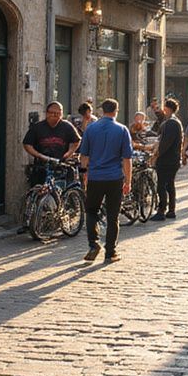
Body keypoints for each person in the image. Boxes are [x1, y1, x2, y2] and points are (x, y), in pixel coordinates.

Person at [76, 99, 133, 262]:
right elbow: (127, 159)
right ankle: (110, 252)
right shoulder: (122, 130)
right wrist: (128, 181)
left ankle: (93, 244)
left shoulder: (91, 129)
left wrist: (84, 173)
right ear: (117, 110)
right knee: (113, 215)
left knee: (91, 211)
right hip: (115, 178)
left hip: (95, 177)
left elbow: (84, 155)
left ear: (101, 110)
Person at [20, 102, 81, 234]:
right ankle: (32, 220)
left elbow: (76, 141)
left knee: (61, 190)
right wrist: (39, 155)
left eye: (58, 114)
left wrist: (68, 153)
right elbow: (27, 144)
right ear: (47, 114)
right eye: (53, 113)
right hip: (42, 164)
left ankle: (62, 214)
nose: (55, 116)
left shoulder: (66, 126)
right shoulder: (38, 128)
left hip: (60, 164)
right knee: (36, 190)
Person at [150, 98, 183, 221]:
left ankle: (161, 210)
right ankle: (171, 210)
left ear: (167, 108)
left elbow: (165, 143)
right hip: (173, 158)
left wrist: (157, 154)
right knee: (170, 184)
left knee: (162, 185)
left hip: (167, 159)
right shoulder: (173, 121)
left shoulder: (172, 123)